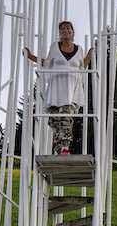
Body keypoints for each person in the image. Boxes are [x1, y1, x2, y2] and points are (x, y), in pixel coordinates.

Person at [24, 21, 92, 154]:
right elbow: (47, 62)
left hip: (71, 90)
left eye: (68, 28)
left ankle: (64, 148)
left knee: (66, 118)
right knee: (56, 120)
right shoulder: (55, 47)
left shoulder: (79, 49)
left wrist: (90, 54)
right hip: (56, 90)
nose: (65, 31)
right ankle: (60, 148)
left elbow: (82, 66)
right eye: (62, 29)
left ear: (73, 32)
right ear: (59, 33)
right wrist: (30, 56)